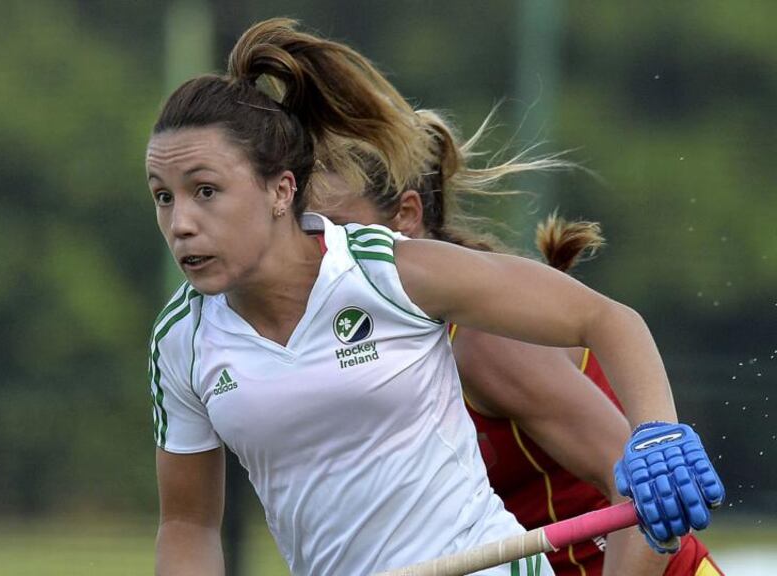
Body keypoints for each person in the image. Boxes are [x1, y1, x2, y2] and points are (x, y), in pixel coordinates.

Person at [146, 18, 723, 576]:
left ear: (281, 190)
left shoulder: (381, 270)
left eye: (205, 191)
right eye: (163, 197)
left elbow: (604, 317)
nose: (181, 223)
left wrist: (657, 432)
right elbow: (189, 527)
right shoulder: (181, 342)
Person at [311, 109, 724, 576]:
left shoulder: (484, 343)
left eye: (336, 227)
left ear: (407, 216)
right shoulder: (372, 350)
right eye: (307, 229)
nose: (319, 248)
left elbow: (639, 494)